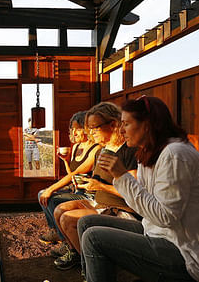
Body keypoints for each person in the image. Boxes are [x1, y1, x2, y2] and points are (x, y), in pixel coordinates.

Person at [78, 96, 199, 282]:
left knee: (94, 238)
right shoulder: (147, 153)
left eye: (126, 124)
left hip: (187, 253)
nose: (121, 130)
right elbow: (147, 205)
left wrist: (122, 177)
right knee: (87, 223)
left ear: (147, 124)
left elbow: (165, 217)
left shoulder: (175, 154)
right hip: (158, 234)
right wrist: (121, 178)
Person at [51, 102, 138, 271]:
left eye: (94, 128)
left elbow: (135, 194)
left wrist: (100, 186)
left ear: (113, 125)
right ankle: (79, 255)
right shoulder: (102, 150)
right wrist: (89, 184)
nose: (90, 133)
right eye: (89, 128)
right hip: (100, 203)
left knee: (67, 219)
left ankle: (92, 265)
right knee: (59, 210)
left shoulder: (129, 152)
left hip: (120, 210)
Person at [37, 111, 101, 249]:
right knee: (41, 194)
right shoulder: (76, 147)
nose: (74, 132)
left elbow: (78, 172)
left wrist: (51, 189)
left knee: (52, 198)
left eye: (77, 128)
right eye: (72, 129)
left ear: (87, 129)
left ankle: (67, 241)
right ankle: (56, 231)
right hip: (75, 189)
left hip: (87, 194)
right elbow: (72, 175)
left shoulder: (96, 149)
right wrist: (66, 161)